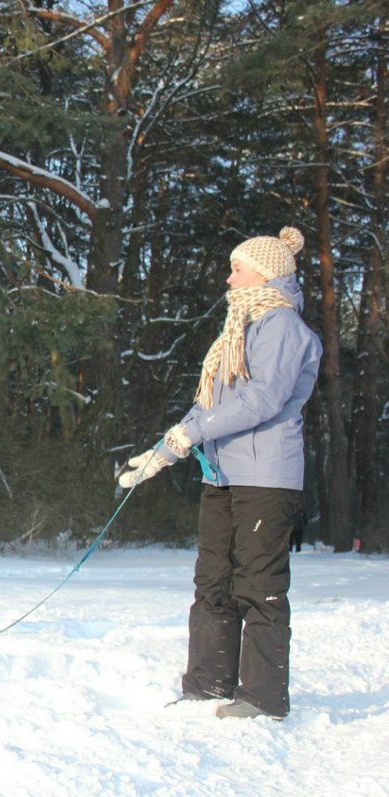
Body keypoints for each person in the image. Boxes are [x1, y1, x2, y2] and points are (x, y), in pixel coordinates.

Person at [117, 226, 322, 720]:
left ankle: (262, 697)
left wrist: (193, 434)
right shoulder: (239, 331)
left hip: (265, 478)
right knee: (212, 582)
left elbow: (262, 399)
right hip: (224, 475)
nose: (228, 279)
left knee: (259, 584)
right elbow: (211, 403)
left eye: (237, 270)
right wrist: (164, 449)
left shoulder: (282, 327)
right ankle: (208, 683)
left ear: (266, 275)